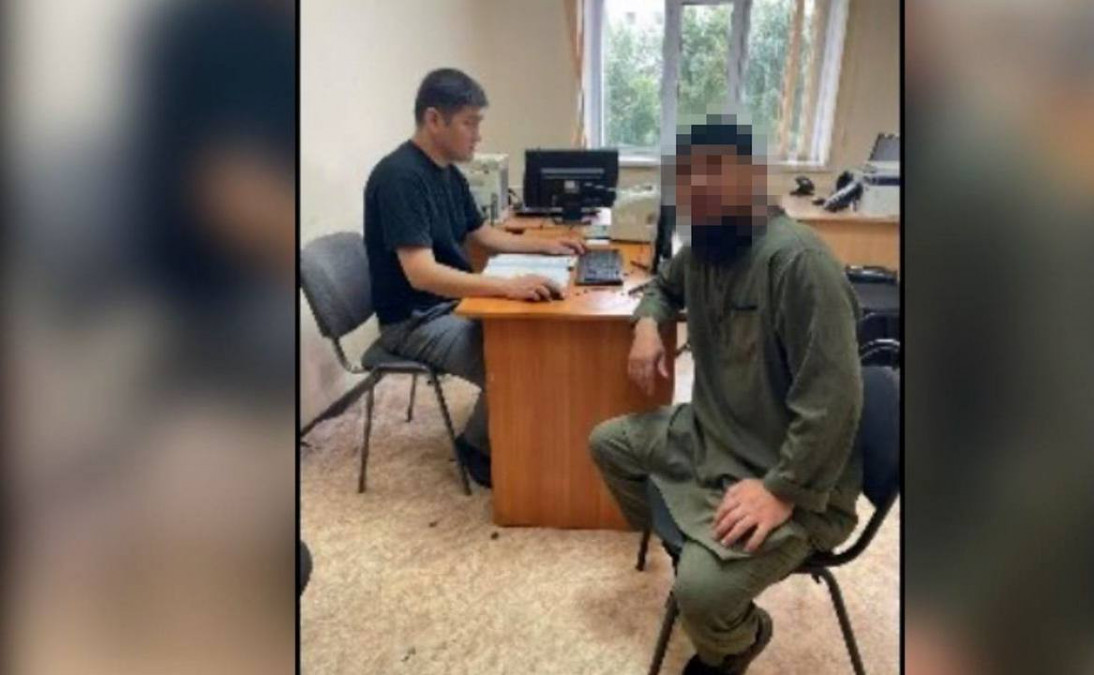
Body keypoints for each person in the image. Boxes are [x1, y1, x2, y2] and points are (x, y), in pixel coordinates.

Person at [588, 117, 864, 674]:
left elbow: (835, 399)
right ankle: (695, 550)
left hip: (789, 472)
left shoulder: (798, 263)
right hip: (710, 436)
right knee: (609, 444)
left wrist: (781, 490)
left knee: (702, 595)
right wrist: (648, 324)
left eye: (717, 179)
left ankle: (737, 638)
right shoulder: (707, 246)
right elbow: (663, 286)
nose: (701, 196)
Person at [363, 68, 585, 488]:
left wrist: (545, 246)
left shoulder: (447, 172)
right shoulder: (400, 179)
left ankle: (520, 426)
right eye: (469, 123)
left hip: (448, 305)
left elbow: (482, 234)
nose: (478, 136)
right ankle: (476, 446)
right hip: (414, 320)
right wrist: (507, 287)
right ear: (434, 119)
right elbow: (422, 274)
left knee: (536, 334)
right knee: (518, 358)